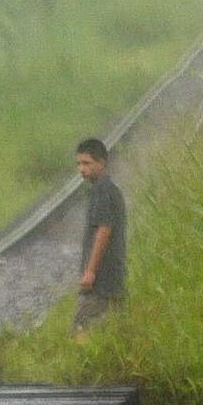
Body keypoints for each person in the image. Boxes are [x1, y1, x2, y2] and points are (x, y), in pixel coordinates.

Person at [72, 138, 126, 337]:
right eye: (78, 164)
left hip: (101, 281)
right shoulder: (107, 189)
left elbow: (104, 230)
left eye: (86, 163)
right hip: (113, 278)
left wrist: (90, 272)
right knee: (109, 333)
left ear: (101, 163)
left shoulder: (102, 190)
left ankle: (82, 365)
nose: (81, 169)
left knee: (81, 329)